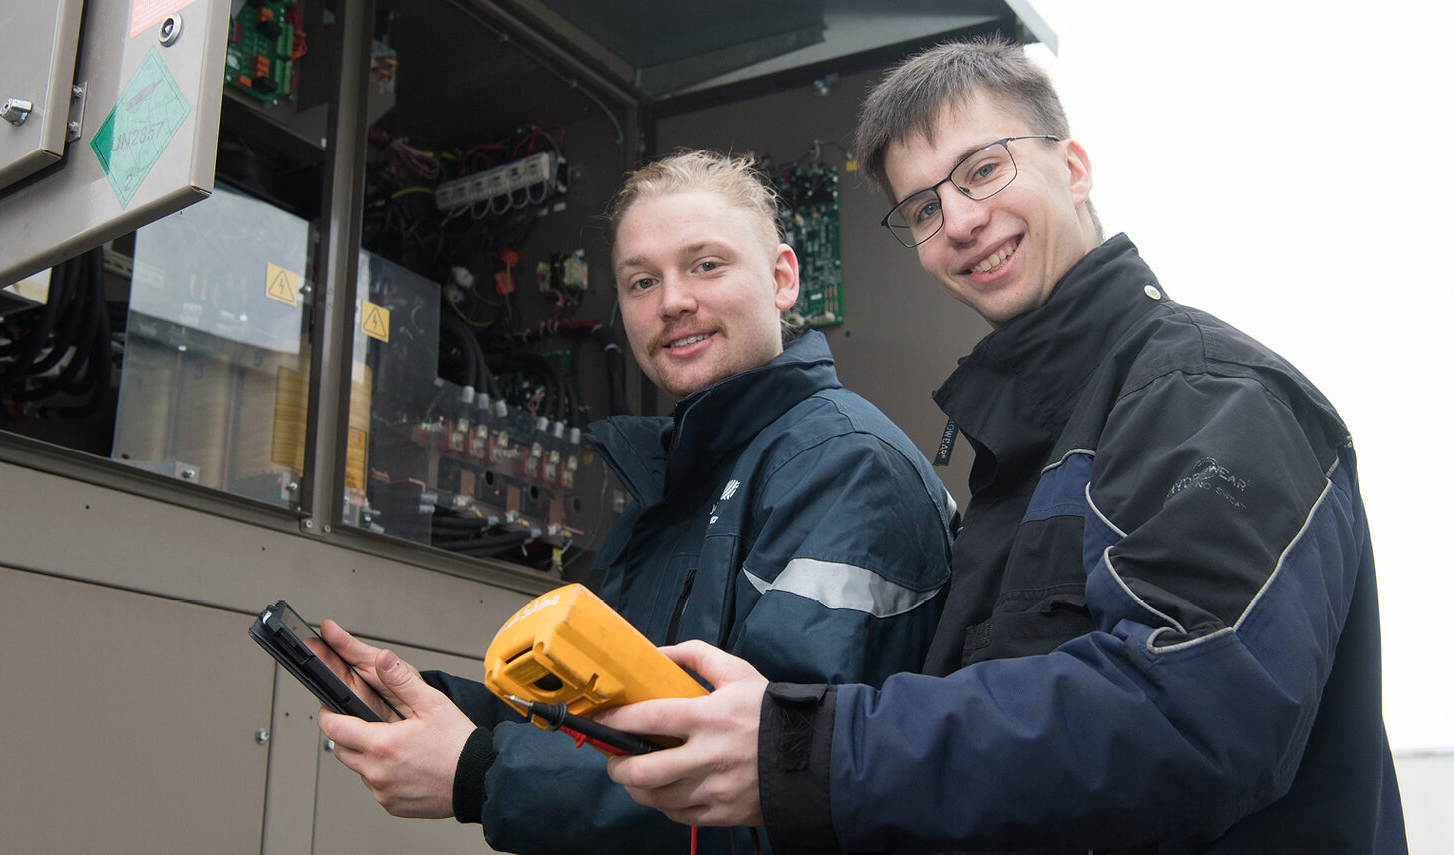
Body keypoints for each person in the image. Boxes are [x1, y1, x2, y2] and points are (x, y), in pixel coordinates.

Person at [595, 39, 1408, 853]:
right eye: (922, 208)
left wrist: (805, 747)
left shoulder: (1209, 393)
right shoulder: (1024, 452)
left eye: (983, 169)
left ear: (1075, 167)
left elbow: (1194, 716)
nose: (959, 221)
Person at [314, 150, 955, 854]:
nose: (672, 300)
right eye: (642, 280)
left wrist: (479, 773)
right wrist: (437, 711)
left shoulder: (847, 465)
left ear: (782, 278)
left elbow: (767, 781)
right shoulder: (675, 486)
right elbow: (620, 717)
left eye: (706, 265)